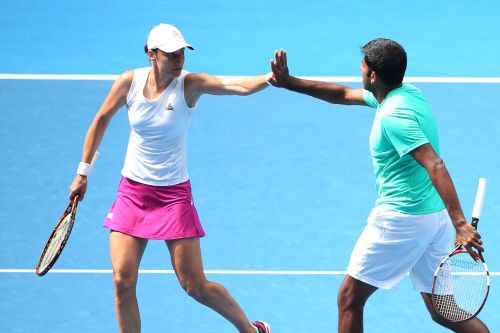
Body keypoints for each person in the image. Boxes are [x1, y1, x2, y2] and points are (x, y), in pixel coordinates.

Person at [268, 39, 489, 332]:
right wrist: (289, 82)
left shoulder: (393, 116)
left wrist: (461, 224)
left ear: (372, 75)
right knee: (442, 309)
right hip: (433, 219)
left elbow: (434, 164)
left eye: (362, 67)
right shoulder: (406, 94)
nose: (358, 72)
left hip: (402, 220)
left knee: (349, 298)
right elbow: (342, 94)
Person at [68, 23, 271, 333]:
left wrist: (272, 78)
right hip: (132, 193)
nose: (179, 61)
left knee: (194, 285)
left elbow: (238, 86)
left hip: (173, 197)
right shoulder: (129, 82)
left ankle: (251, 329)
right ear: (151, 54)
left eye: (182, 54)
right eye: (171, 55)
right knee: (122, 281)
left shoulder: (190, 85)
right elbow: (100, 121)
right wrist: (83, 173)